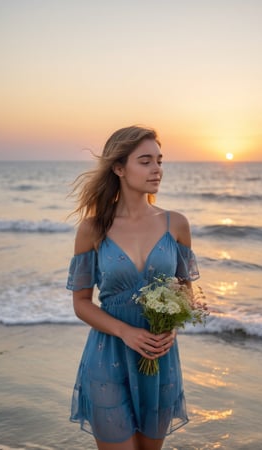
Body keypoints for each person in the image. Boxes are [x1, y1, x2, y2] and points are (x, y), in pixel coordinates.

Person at [66, 125, 200, 450]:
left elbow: (186, 293)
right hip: (107, 355)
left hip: (159, 357)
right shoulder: (92, 229)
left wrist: (172, 327)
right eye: (145, 161)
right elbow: (81, 302)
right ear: (119, 168)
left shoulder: (176, 224)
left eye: (159, 160)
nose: (157, 169)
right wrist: (126, 332)